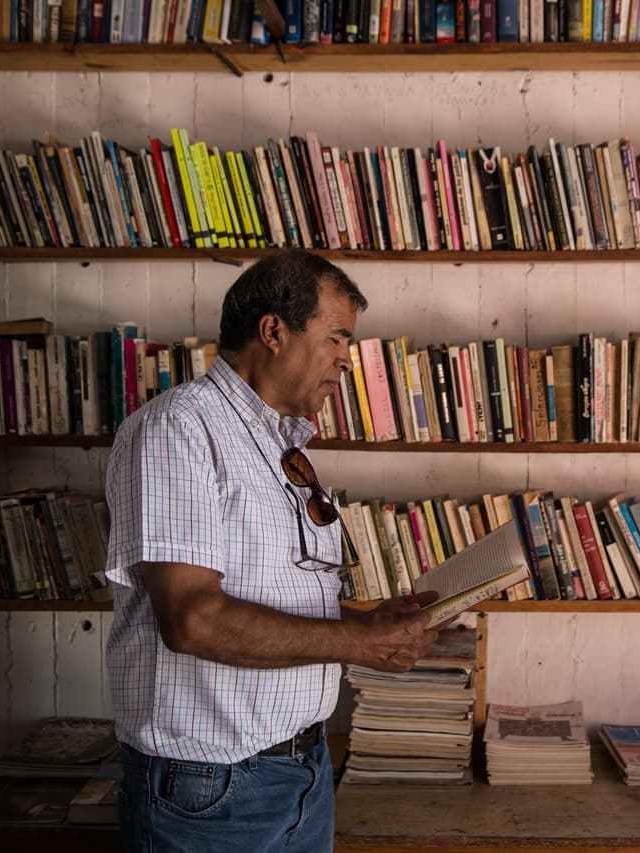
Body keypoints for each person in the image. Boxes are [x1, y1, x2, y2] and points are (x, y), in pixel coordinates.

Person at [104, 250, 442, 853]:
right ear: (273, 331)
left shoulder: (277, 444)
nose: (347, 357)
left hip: (303, 773)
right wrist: (359, 643)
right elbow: (194, 620)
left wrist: (369, 622)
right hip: (209, 793)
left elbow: (271, 600)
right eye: (338, 337)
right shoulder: (178, 430)